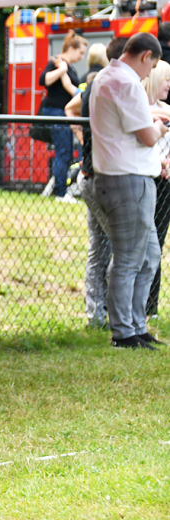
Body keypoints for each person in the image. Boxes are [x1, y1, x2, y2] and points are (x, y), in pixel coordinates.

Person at [91, 32, 168, 350]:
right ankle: (124, 332)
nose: (149, 74)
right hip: (128, 179)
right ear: (146, 56)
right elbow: (148, 137)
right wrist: (161, 127)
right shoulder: (125, 83)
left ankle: (136, 325)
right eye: (152, 67)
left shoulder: (106, 78)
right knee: (129, 259)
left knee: (148, 255)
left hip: (123, 178)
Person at [65, 37, 128, 329]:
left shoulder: (94, 86)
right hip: (98, 177)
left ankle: (97, 314)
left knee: (99, 249)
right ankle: (114, 315)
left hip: (89, 175)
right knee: (120, 247)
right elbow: (70, 108)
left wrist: (83, 139)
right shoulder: (107, 85)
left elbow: (71, 108)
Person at [40, 30, 87, 200]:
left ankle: (61, 190)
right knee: (64, 151)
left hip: (62, 113)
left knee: (65, 151)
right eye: (81, 52)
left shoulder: (67, 65)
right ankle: (60, 193)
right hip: (56, 112)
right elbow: (43, 80)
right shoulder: (57, 62)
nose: (82, 57)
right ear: (72, 48)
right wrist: (62, 70)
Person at [142, 60, 170, 320]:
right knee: (140, 243)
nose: (169, 85)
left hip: (165, 184)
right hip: (145, 178)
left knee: (157, 245)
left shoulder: (168, 110)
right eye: (166, 80)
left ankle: (151, 307)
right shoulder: (139, 107)